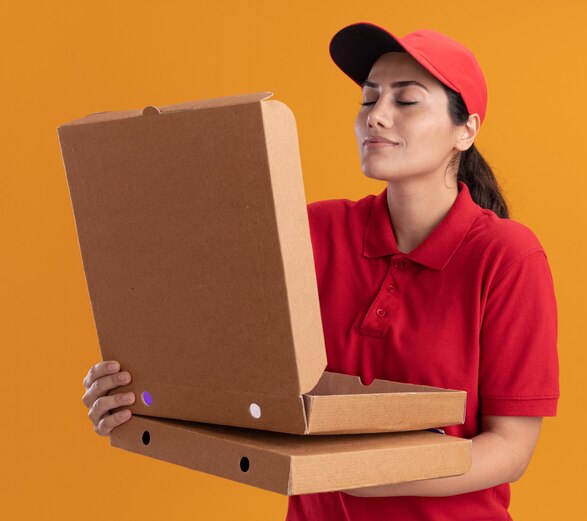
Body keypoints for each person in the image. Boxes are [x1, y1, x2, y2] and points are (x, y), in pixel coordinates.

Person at [81, 21, 560, 521]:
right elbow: (232, 373)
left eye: (406, 100)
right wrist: (136, 394)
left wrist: (369, 475)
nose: (377, 116)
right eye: (368, 99)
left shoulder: (507, 257)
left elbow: (510, 447)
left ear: (466, 130)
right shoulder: (314, 230)